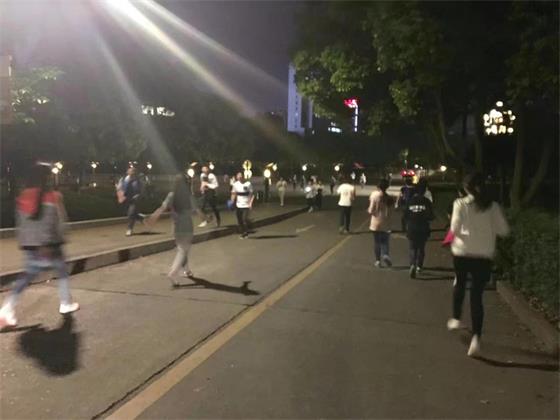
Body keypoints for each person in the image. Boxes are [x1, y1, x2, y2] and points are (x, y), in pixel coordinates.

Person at [0, 164, 79, 329]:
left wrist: (25, 243)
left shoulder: (22, 196)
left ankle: (7, 308)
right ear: (46, 178)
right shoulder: (50, 196)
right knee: (62, 272)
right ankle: (65, 303)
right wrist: (50, 242)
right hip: (49, 244)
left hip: (29, 245)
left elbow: (21, 224)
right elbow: (52, 222)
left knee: (27, 277)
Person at [447, 173, 509, 357]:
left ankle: (456, 318)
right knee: (476, 296)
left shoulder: (460, 204)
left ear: (466, 187)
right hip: (483, 256)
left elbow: (454, 228)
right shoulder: (493, 206)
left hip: (462, 252)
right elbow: (504, 231)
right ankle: (476, 339)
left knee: (459, 283)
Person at [150, 174, 196, 286]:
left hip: (176, 225)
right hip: (187, 225)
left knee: (183, 248)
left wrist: (153, 217)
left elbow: (162, 208)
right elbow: (197, 209)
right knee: (183, 250)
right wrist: (205, 218)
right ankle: (173, 273)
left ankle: (187, 269)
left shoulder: (171, 195)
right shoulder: (188, 196)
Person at [404, 180, 434, 278]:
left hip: (412, 227)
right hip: (423, 228)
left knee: (412, 248)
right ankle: (419, 267)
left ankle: (412, 264)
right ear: (424, 190)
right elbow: (431, 216)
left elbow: (405, 215)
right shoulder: (427, 201)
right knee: (421, 248)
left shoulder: (410, 201)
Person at [368, 179, 396, 267]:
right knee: (385, 241)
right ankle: (385, 255)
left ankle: (378, 261)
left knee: (377, 242)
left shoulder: (374, 195)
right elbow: (392, 211)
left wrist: (370, 211)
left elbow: (371, 210)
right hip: (386, 222)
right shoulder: (390, 198)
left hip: (375, 222)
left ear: (378, 186)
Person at [117, 166, 145, 236]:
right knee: (128, 213)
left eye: (134, 171)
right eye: (131, 171)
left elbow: (141, 190)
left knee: (131, 214)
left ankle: (129, 229)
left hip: (134, 199)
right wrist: (120, 196)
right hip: (125, 199)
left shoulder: (138, 181)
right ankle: (139, 217)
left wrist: (138, 195)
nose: (133, 172)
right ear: (127, 172)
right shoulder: (123, 179)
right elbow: (119, 188)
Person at [231, 172, 254, 239]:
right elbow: (233, 193)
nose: (240, 177)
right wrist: (232, 201)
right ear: (237, 177)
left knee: (244, 219)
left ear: (243, 177)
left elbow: (251, 194)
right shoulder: (235, 184)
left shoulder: (248, 184)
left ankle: (247, 229)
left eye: (241, 176)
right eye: (238, 176)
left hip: (246, 204)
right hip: (238, 205)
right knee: (239, 220)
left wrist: (250, 203)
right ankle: (243, 232)